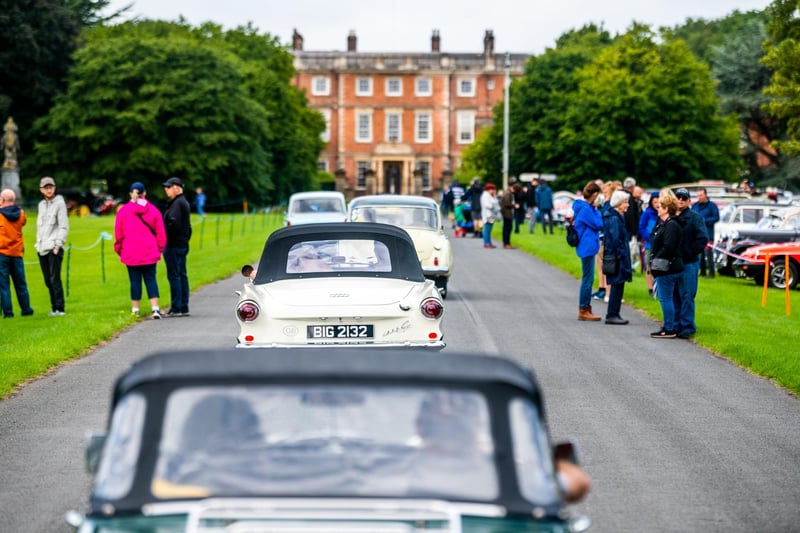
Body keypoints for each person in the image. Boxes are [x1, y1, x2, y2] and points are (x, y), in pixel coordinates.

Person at [114, 182, 167, 319]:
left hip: (131, 251)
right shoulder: (153, 210)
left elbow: (119, 233)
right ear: (145, 193)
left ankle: (135, 309)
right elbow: (161, 232)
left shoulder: (123, 211)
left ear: (130, 194)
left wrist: (119, 249)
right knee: (151, 279)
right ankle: (155, 308)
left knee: (134, 281)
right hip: (149, 250)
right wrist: (160, 248)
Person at [673, 187, 708, 339]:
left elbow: (703, 239)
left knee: (687, 295)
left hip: (689, 263)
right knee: (673, 295)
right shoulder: (669, 216)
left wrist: (690, 252)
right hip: (672, 263)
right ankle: (674, 324)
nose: (680, 200)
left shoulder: (695, 218)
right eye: (678, 197)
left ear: (689, 201)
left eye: (683, 198)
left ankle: (687, 326)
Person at [649, 190, 684, 338]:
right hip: (670, 266)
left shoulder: (671, 225)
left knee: (666, 298)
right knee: (670, 298)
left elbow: (668, 246)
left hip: (667, 268)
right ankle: (671, 325)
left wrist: (656, 259)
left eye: (660, 206)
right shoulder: (667, 224)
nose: (658, 208)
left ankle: (669, 328)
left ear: (666, 209)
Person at [35, 177, 69, 316]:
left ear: (54, 188)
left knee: (55, 279)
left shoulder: (60, 204)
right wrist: (38, 244)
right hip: (42, 247)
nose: (49, 190)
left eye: (51, 187)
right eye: (46, 188)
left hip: (54, 246)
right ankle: (53, 307)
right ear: (41, 190)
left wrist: (58, 244)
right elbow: (40, 227)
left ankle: (60, 308)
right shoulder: (41, 205)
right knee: (47, 280)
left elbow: (63, 226)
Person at [0, 189, 34, 318]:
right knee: (21, 284)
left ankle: (8, 313)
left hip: (2, 253)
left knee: (4, 285)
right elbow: (23, 222)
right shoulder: (21, 214)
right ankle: (26, 309)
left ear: (2, 200)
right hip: (17, 253)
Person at [572, 181, 603, 321]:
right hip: (587, 246)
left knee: (588, 278)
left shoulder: (584, 207)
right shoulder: (586, 209)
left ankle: (586, 307)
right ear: (595, 194)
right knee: (588, 279)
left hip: (587, 245)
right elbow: (598, 224)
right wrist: (597, 210)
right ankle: (583, 308)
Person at [162, 177, 193, 317]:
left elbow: (173, 225)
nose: (166, 190)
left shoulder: (177, 204)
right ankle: (182, 306)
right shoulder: (181, 203)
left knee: (175, 275)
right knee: (181, 275)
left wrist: (162, 236)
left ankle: (177, 306)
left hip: (174, 245)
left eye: (168, 187)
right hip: (181, 244)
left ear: (177, 188)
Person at [602, 190, 633, 325]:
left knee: (618, 284)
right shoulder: (614, 219)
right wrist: (622, 256)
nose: (627, 205)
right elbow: (616, 241)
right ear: (619, 203)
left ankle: (614, 313)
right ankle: (612, 314)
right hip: (617, 258)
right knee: (617, 285)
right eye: (625, 202)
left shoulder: (616, 216)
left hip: (616, 257)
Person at [691, 187, 720, 278]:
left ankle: (711, 273)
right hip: (696, 234)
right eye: (698, 195)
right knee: (700, 253)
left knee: (708, 253)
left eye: (701, 195)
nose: (699, 197)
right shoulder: (695, 206)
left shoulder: (712, 206)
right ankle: (702, 271)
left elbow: (716, 217)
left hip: (708, 233)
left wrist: (704, 221)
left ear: (705, 195)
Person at [638, 192, 660, 296]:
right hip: (649, 244)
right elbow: (641, 227)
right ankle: (650, 288)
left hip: (660, 244)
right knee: (649, 266)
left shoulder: (663, 213)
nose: (657, 204)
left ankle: (658, 287)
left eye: (658, 202)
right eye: (655, 202)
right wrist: (649, 238)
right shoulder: (647, 213)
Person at [500, 179, 520, 249]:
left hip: (507, 212)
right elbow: (507, 203)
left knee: (508, 228)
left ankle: (507, 243)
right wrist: (514, 206)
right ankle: (506, 243)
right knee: (507, 228)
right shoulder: (508, 193)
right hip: (507, 213)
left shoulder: (509, 193)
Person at [480, 183, 500, 249]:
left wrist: (494, 196)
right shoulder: (485, 196)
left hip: (491, 215)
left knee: (489, 229)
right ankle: (486, 243)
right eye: (493, 189)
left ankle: (489, 243)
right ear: (489, 189)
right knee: (487, 229)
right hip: (488, 215)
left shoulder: (489, 195)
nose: (494, 191)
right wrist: (492, 206)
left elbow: (496, 202)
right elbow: (487, 205)